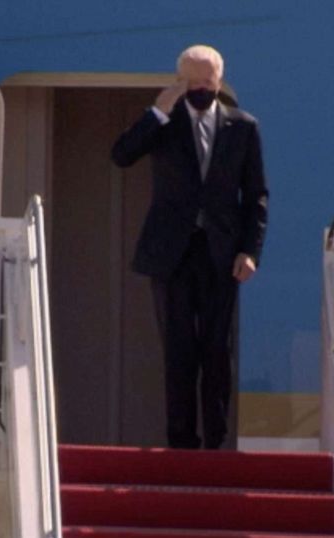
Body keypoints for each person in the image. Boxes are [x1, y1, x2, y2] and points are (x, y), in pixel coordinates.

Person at [111, 45, 268, 450]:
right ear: (180, 82)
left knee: (217, 350)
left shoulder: (243, 127)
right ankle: (181, 441)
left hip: (221, 252)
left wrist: (250, 251)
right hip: (171, 254)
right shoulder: (163, 123)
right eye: (193, 83)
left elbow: (256, 196)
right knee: (179, 351)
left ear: (220, 80)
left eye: (208, 83)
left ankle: (216, 441)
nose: (202, 89)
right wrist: (157, 112)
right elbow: (122, 156)